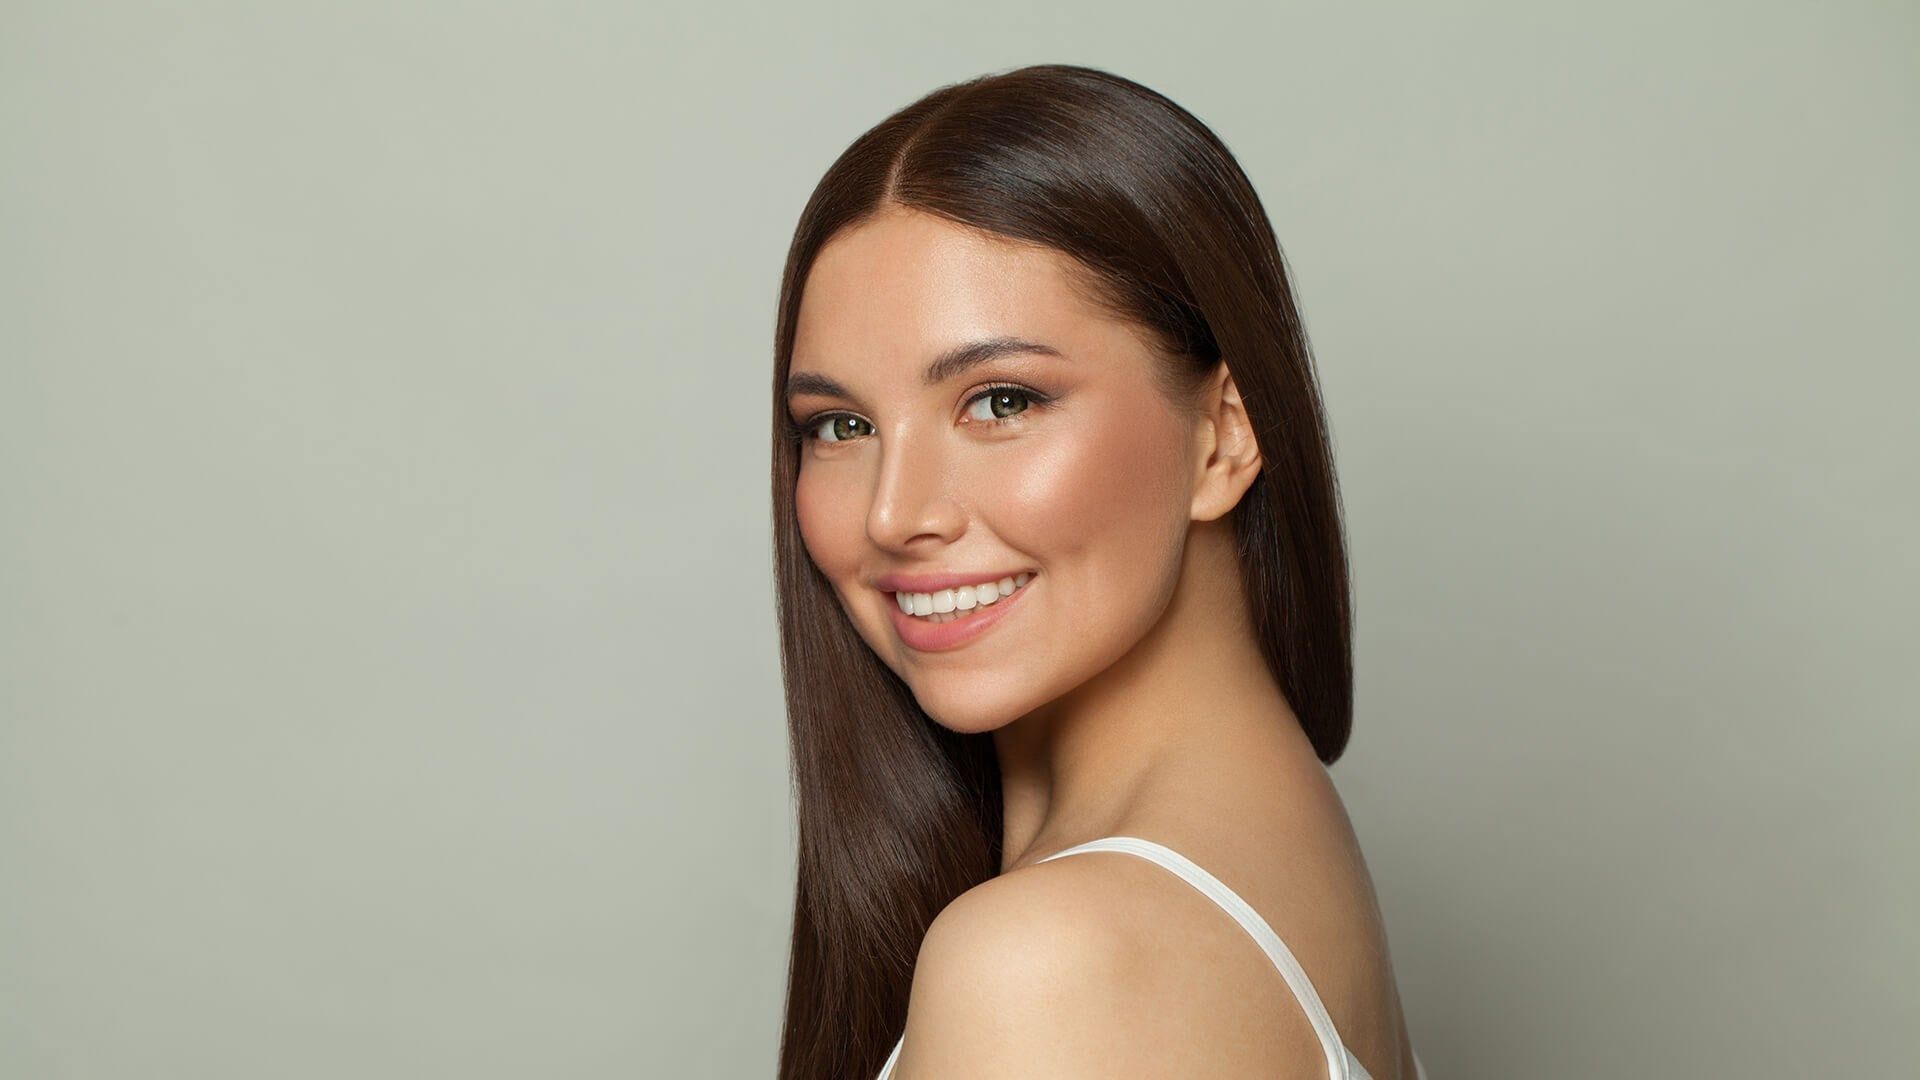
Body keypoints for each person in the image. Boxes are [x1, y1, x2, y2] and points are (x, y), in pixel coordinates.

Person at [770, 63, 1426, 1079]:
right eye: (841, 425)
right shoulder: (1278, 841)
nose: (895, 515)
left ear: (1222, 438)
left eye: (1001, 402)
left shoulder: (1051, 966)